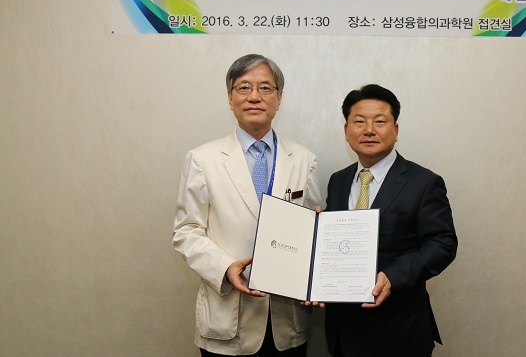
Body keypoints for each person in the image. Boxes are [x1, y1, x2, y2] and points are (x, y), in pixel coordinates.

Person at [173, 54, 322, 356]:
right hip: (227, 319)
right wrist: (225, 267)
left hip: (286, 321)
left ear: (279, 99)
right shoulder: (202, 159)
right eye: (244, 88)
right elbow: (186, 232)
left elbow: (314, 232)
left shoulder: (304, 160)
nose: (254, 96)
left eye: (265, 88)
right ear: (230, 98)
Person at [323, 84, 457, 357]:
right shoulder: (338, 180)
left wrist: (394, 276)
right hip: (343, 331)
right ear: (346, 130)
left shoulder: (424, 183)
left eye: (380, 121)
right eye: (359, 122)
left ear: (395, 130)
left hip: (398, 331)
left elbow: (442, 243)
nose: (369, 130)